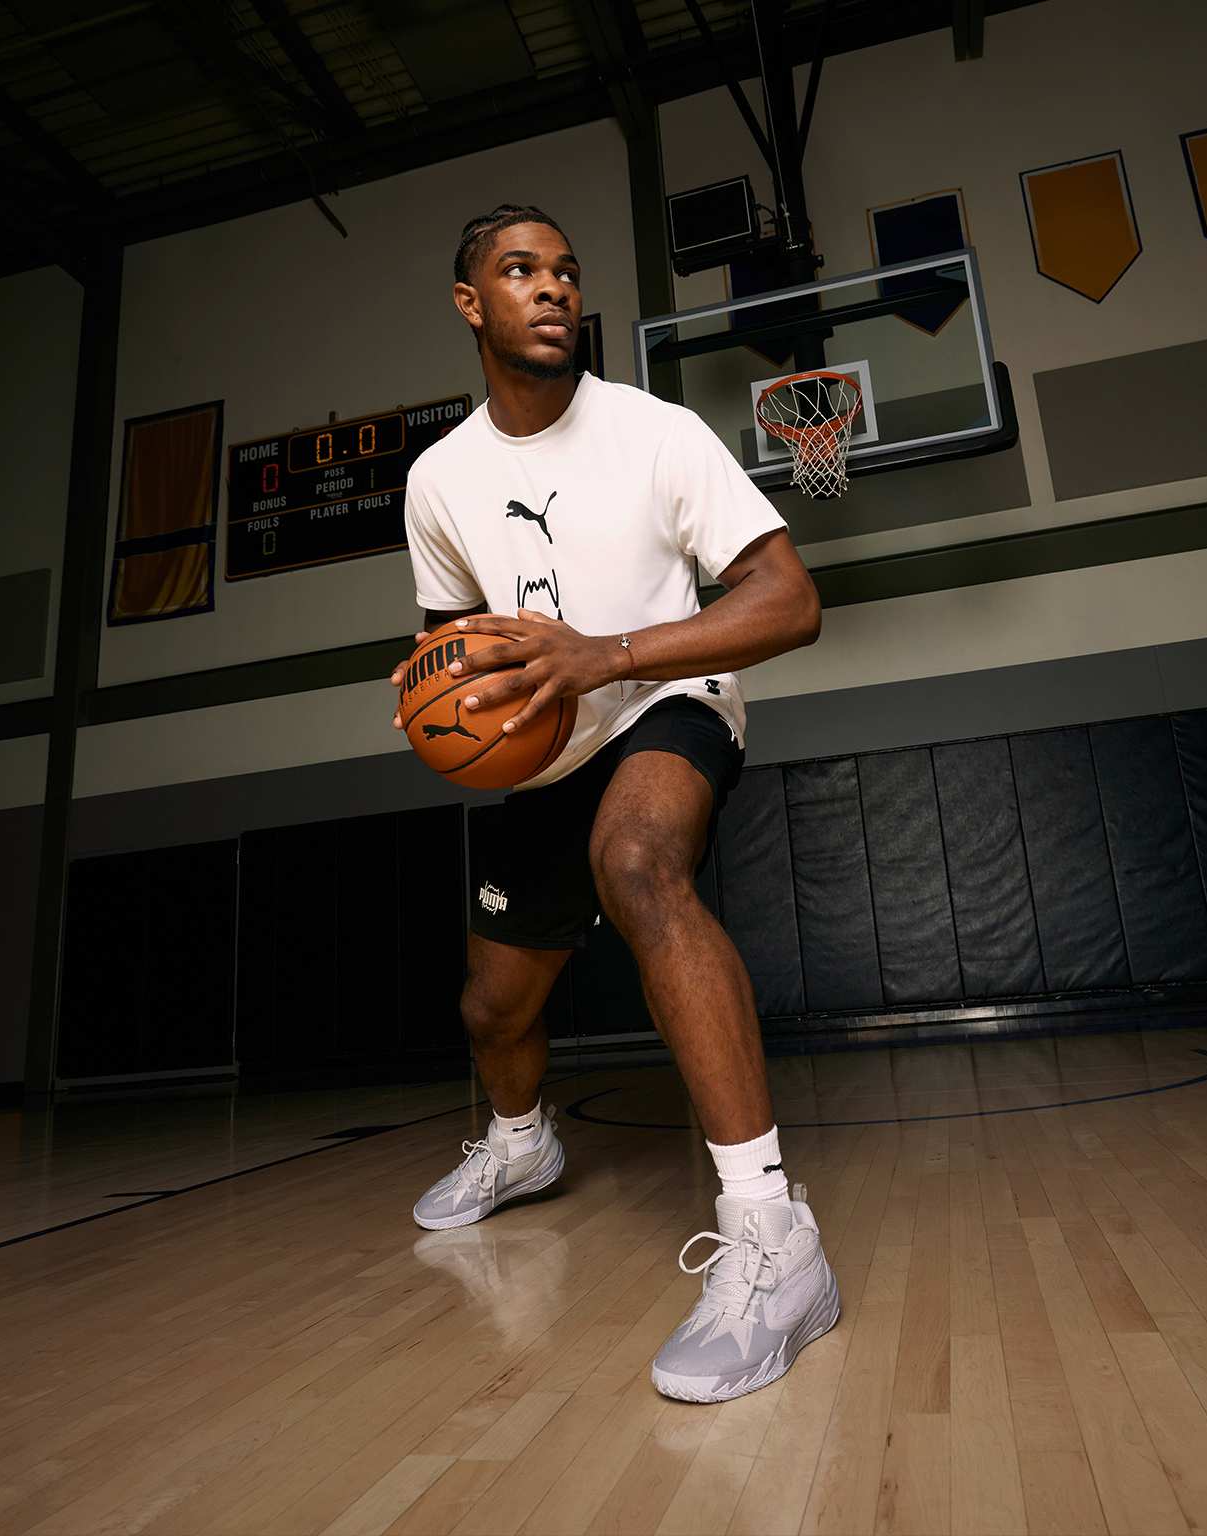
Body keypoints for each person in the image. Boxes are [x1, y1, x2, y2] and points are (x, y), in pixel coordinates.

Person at [390, 203, 840, 1403]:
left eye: (565, 271)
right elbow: (452, 636)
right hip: (540, 741)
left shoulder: (657, 433)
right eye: (519, 270)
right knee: (494, 1009)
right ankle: (522, 1141)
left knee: (638, 863)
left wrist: (612, 654)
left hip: (660, 699)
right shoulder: (439, 480)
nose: (552, 289)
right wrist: (432, 675)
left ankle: (771, 1236)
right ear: (470, 304)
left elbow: (788, 602)